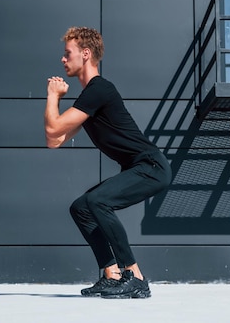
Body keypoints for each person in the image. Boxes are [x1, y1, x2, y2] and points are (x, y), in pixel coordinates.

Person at [44, 26, 172, 299]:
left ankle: (134, 275)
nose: (62, 59)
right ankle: (111, 273)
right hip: (141, 168)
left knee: (98, 201)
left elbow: (53, 129)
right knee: (81, 207)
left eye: (68, 54)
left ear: (86, 54)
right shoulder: (89, 100)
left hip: (151, 166)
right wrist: (56, 101)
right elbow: (54, 140)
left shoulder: (99, 89)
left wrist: (54, 96)